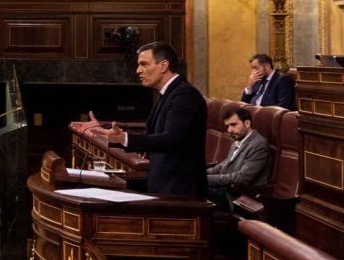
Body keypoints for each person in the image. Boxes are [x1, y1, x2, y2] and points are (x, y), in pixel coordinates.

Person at [93, 41, 208, 197]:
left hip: (180, 190)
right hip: (166, 185)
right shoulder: (169, 93)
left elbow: (171, 139)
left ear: (163, 65)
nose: (138, 71)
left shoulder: (184, 95)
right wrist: (114, 136)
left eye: (144, 64)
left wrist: (124, 138)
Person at [207, 106, 271, 212]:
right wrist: (199, 174)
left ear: (247, 123)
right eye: (227, 126)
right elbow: (222, 166)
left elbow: (242, 178)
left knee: (193, 188)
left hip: (238, 197)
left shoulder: (258, 145)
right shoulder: (237, 142)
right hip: (226, 190)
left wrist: (204, 180)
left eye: (233, 125)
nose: (229, 130)